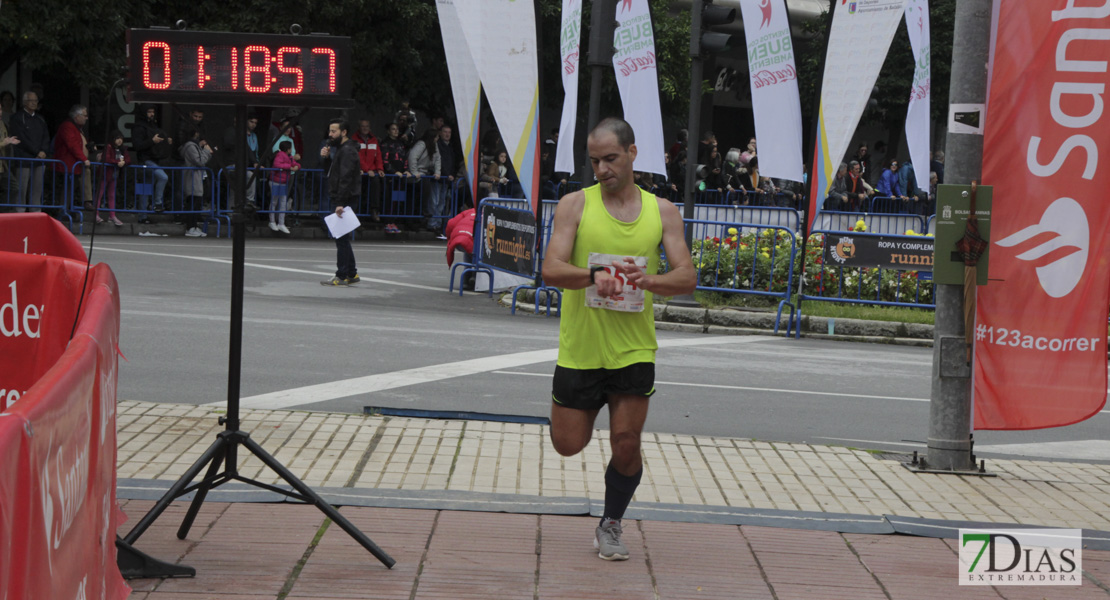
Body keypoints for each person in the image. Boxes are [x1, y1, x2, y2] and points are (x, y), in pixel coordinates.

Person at [540, 117, 696, 561]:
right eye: (594, 161)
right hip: (581, 347)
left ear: (632, 153)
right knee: (568, 444)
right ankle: (576, 423)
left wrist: (649, 281)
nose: (602, 169)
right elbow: (551, 268)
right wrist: (593, 275)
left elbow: (686, 277)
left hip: (633, 347)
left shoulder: (661, 210)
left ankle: (611, 523)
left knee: (626, 442)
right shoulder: (574, 205)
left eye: (610, 158)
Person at [320, 119, 361, 286]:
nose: (330, 135)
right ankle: (351, 273)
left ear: (344, 132)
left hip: (345, 198)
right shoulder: (342, 150)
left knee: (341, 239)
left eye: (334, 131)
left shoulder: (347, 151)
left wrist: (340, 202)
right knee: (342, 237)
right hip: (344, 197)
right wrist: (326, 159)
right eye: (330, 131)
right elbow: (333, 173)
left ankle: (342, 274)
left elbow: (345, 178)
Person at [8, 91, 50, 212]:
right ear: (24, 102)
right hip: (24, 158)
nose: (34, 103)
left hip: (40, 159)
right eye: (31, 100)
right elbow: (21, 137)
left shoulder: (40, 119)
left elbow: (46, 136)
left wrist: (43, 151)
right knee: (21, 187)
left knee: (37, 188)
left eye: (36, 100)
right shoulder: (17, 118)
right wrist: (36, 151)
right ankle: (19, 211)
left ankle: (35, 211)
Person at [131, 104, 172, 221]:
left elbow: (158, 136)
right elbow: (137, 145)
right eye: (149, 112)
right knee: (163, 177)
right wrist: (152, 141)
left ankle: (142, 216)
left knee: (145, 189)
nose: (151, 114)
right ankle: (157, 203)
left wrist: (165, 140)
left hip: (153, 160)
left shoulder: (152, 125)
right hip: (145, 160)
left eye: (152, 112)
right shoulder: (138, 127)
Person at [179, 125, 212, 237]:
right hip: (192, 178)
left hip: (197, 178)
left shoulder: (195, 146)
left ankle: (194, 226)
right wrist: (206, 152)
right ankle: (190, 227)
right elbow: (200, 161)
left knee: (197, 203)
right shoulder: (190, 146)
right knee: (192, 203)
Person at [407, 129, 441, 232]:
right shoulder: (421, 144)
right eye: (436, 137)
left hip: (424, 173)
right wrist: (414, 171)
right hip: (416, 174)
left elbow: (438, 159)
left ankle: (422, 214)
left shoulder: (434, 146)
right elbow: (412, 156)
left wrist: (437, 172)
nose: (437, 139)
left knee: (422, 192)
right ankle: (424, 210)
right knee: (419, 194)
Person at [380, 122, 411, 234]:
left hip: (400, 177)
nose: (396, 131)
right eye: (393, 129)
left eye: (397, 129)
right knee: (389, 199)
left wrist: (406, 170)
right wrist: (393, 171)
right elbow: (385, 160)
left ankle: (394, 221)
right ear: (388, 131)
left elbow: (405, 158)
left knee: (398, 199)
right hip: (390, 177)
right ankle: (387, 221)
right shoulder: (385, 143)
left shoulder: (401, 143)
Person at [94, 130, 129, 226]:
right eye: (117, 138)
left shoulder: (121, 149)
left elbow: (127, 158)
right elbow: (107, 158)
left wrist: (124, 162)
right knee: (99, 194)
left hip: (114, 174)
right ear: (113, 139)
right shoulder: (109, 147)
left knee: (112, 195)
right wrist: (117, 162)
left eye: (121, 138)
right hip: (106, 173)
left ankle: (112, 215)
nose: (119, 141)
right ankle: (95, 214)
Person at [352, 119, 384, 222]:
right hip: (360, 171)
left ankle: (374, 210)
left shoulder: (373, 139)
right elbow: (358, 157)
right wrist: (367, 170)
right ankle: (357, 217)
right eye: (363, 126)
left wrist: (380, 169)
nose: (365, 128)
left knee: (376, 187)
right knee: (359, 194)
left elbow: (378, 155)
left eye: (367, 126)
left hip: (371, 172)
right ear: (359, 127)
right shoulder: (354, 139)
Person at [270, 140, 300, 233]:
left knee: (282, 201)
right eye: (291, 148)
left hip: (282, 182)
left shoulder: (289, 157)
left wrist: (296, 167)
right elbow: (277, 164)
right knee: (274, 201)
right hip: (276, 181)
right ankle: (272, 221)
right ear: (288, 149)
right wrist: (290, 167)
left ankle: (281, 223)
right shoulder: (280, 155)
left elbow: (296, 164)